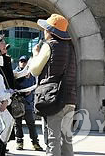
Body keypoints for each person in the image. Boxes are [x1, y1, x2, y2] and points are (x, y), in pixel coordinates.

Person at [29, 14, 77, 156]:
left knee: (53, 139)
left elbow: (34, 70)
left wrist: (35, 55)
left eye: (46, 29)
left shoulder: (49, 46)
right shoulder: (71, 48)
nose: (44, 32)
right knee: (67, 139)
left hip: (53, 98)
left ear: (51, 31)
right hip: (70, 98)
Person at [14, 56, 43, 151]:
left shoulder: (32, 73)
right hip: (18, 102)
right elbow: (12, 85)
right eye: (21, 61)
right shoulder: (15, 73)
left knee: (31, 123)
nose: (23, 63)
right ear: (18, 62)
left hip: (28, 102)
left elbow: (36, 85)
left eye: (24, 61)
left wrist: (31, 91)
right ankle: (19, 142)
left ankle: (35, 142)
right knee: (17, 123)